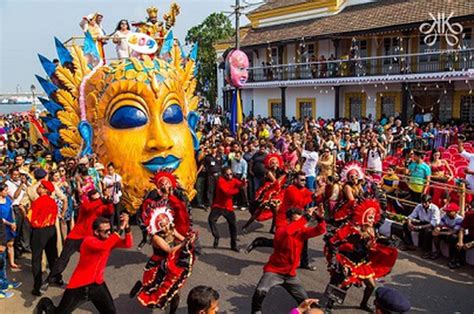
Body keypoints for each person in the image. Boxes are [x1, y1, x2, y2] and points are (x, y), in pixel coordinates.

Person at [36, 215, 132, 313]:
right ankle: (45, 303)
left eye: (110, 230)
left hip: (97, 285)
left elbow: (128, 244)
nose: (109, 233)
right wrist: (121, 228)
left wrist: (127, 227)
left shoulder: (108, 240)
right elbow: (104, 247)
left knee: (110, 311)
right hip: (79, 286)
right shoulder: (89, 241)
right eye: (105, 231)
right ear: (96, 232)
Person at [325, 199, 398, 311]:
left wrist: (387, 243)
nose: (372, 220)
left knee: (371, 285)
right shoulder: (351, 229)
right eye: (370, 217)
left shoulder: (371, 230)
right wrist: (336, 261)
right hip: (347, 260)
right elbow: (333, 242)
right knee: (344, 285)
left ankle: (363, 304)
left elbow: (371, 246)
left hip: (361, 262)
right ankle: (329, 306)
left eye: (373, 217)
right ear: (363, 217)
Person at [251, 206, 326, 314]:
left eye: (301, 220)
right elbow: (289, 231)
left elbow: (320, 230)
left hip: (290, 275)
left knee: (306, 301)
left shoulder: (301, 232)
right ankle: (255, 311)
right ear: (288, 220)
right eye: (297, 221)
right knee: (260, 291)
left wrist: (320, 218)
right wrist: (305, 218)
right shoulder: (281, 230)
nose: (300, 224)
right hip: (274, 271)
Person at [44, 189, 114, 289]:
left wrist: (110, 202)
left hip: (88, 239)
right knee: (63, 260)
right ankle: (50, 279)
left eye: (98, 196)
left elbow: (110, 212)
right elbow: (89, 208)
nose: (98, 198)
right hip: (75, 237)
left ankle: (87, 283)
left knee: (90, 262)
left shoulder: (100, 206)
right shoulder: (86, 205)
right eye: (95, 196)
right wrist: (102, 200)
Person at [132, 207, 196, 313]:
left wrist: (189, 239)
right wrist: (183, 244)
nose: (166, 226)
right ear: (157, 226)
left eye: (167, 223)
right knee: (153, 295)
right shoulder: (156, 238)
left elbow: (182, 239)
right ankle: (140, 288)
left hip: (171, 263)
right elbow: (170, 250)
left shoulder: (172, 229)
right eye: (163, 225)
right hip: (158, 265)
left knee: (175, 291)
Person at [29, 180, 59, 296]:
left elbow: (31, 218)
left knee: (36, 258)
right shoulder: (53, 202)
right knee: (52, 255)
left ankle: (37, 286)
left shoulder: (37, 202)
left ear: (45, 190)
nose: (38, 188)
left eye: (40, 187)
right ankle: (56, 278)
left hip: (39, 231)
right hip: (51, 230)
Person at [208, 167, 245, 252]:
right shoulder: (221, 181)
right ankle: (216, 236)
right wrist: (237, 189)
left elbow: (239, 184)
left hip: (228, 207)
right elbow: (227, 192)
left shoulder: (233, 180)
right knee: (211, 220)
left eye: (231, 174)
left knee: (233, 226)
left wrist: (243, 183)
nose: (229, 176)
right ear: (223, 174)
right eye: (227, 174)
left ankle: (233, 245)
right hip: (219, 206)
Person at [102, 162, 123, 228]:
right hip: (110, 197)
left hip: (117, 196)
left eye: (111, 169)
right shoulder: (105, 178)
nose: (110, 171)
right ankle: (111, 229)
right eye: (109, 170)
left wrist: (118, 184)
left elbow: (122, 186)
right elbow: (104, 188)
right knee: (111, 214)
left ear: (114, 169)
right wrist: (110, 185)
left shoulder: (118, 177)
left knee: (117, 213)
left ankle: (119, 228)